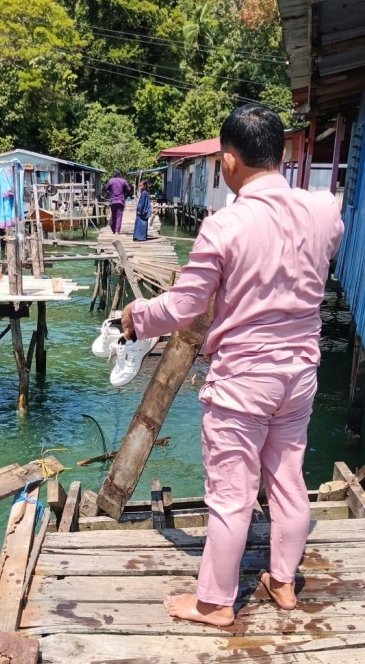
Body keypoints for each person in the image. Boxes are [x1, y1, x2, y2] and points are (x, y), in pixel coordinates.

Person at [121, 104, 344, 627]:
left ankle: (215, 602)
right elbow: (324, 248)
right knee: (288, 478)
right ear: (285, 155)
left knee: (231, 492)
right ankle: (283, 582)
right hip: (300, 372)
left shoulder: (224, 225)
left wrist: (135, 316)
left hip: (244, 379)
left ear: (227, 162)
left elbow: (182, 308)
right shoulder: (324, 210)